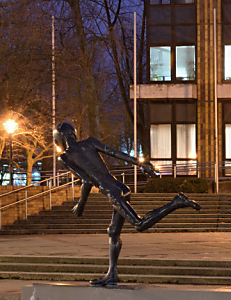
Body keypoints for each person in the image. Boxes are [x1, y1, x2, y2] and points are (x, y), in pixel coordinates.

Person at [55, 122, 200, 287]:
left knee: (139, 224)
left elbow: (86, 180)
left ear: (60, 137)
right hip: (121, 187)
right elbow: (115, 153)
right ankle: (112, 273)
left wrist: (81, 205)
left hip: (111, 191)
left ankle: (175, 203)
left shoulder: (65, 156)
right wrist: (140, 163)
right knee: (113, 232)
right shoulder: (89, 142)